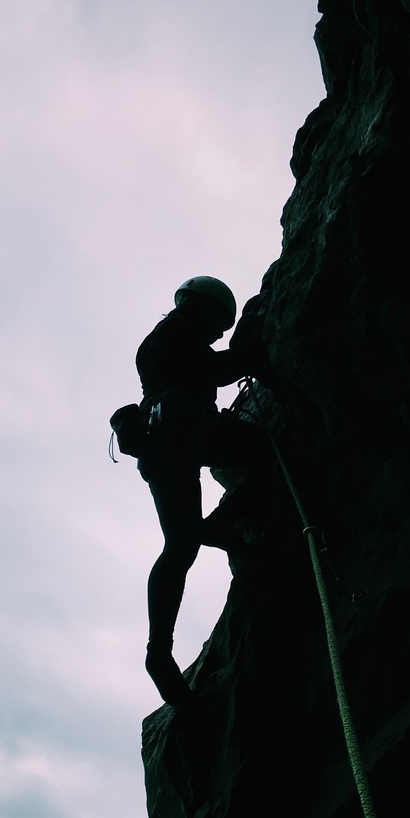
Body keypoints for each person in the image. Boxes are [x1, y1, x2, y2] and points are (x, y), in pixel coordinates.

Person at [136, 277, 270, 707]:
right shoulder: (177, 335)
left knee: (179, 545)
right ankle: (218, 527)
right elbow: (212, 369)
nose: (219, 335)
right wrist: (252, 353)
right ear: (205, 309)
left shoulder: (161, 341)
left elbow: (205, 367)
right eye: (220, 325)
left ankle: (159, 651)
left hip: (161, 442)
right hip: (186, 430)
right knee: (273, 454)